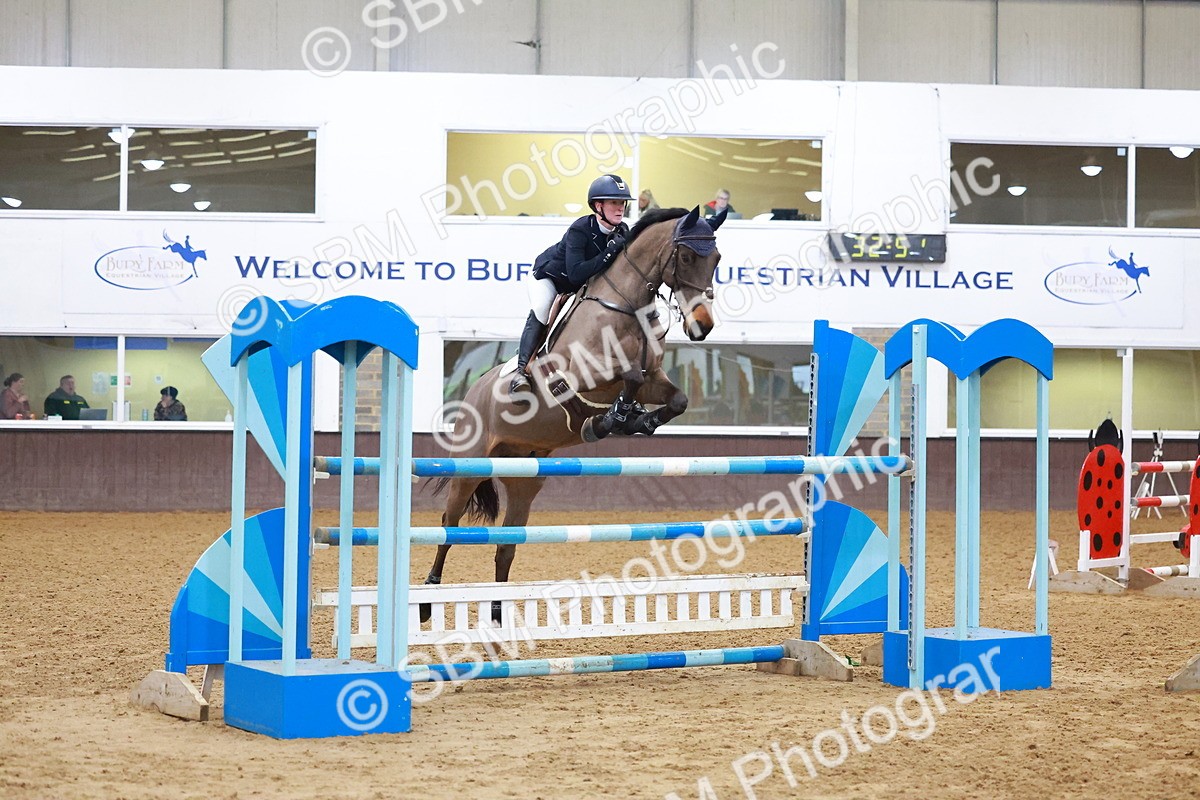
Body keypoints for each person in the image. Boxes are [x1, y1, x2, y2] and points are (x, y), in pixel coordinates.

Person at [509, 174, 633, 399]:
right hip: (551, 279)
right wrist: (609, 252)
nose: (620, 208)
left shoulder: (622, 231)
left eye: (622, 203)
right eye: (614, 202)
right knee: (542, 309)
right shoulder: (580, 229)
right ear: (598, 206)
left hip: (581, 287)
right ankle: (521, 372)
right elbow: (576, 273)